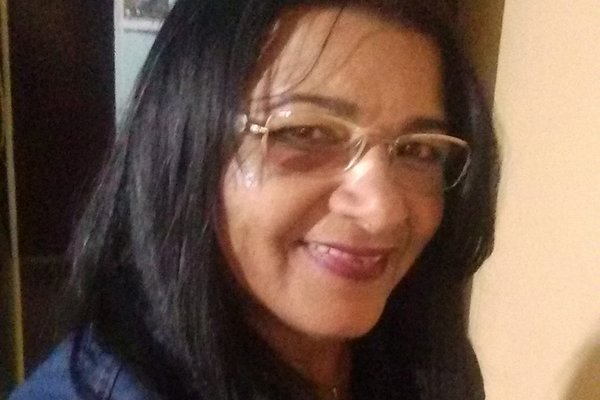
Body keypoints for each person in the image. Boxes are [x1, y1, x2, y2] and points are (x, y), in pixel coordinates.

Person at [10, 0, 499, 399]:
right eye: (306, 132)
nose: (382, 210)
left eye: (419, 150)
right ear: (184, 144)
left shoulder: (415, 354)